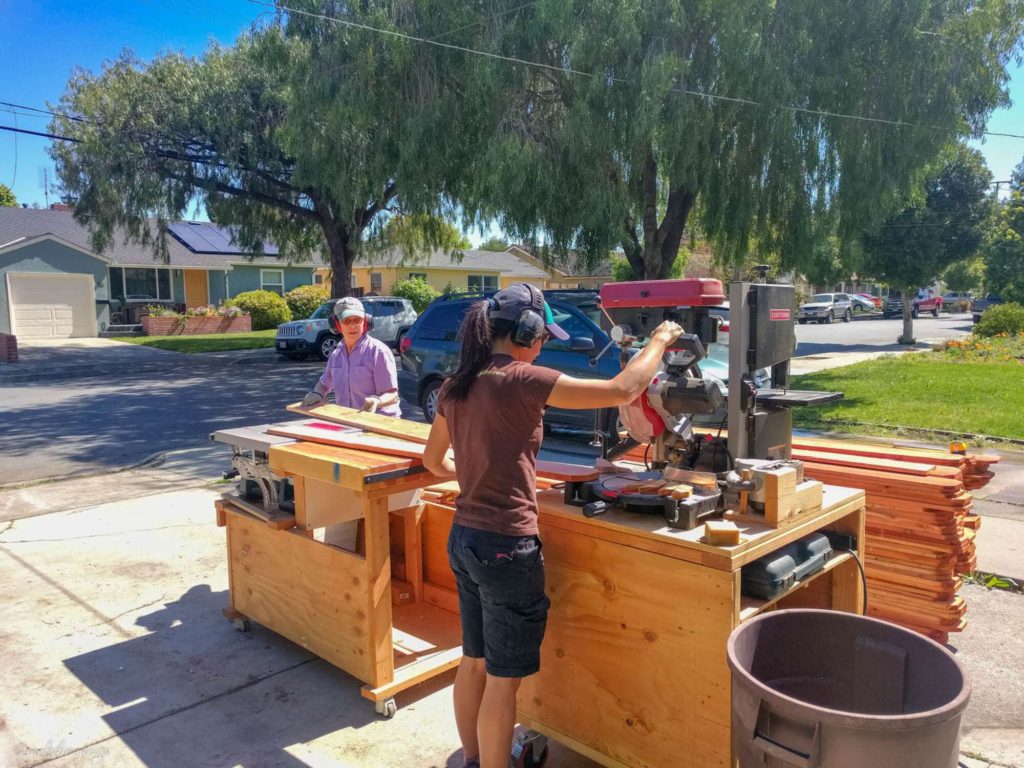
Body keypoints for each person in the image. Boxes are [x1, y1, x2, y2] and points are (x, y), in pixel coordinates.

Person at [421, 283, 683, 768]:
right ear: (528, 332)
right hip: (506, 546)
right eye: (542, 336)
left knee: (473, 660)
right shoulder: (524, 379)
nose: (544, 345)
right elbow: (624, 388)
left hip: (465, 538)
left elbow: (433, 461)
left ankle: (475, 759)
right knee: (504, 679)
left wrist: (483, 469)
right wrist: (660, 341)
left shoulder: (457, 384)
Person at [300, 297, 401, 417]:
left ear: (365, 322)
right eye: (346, 321)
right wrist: (318, 393)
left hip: (382, 424)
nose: (353, 325)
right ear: (336, 324)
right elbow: (324, 384)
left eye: (357, 320)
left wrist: (377, 401)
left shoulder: (378, 351)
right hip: (350, 421)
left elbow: (392, 394)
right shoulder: (336, 355)